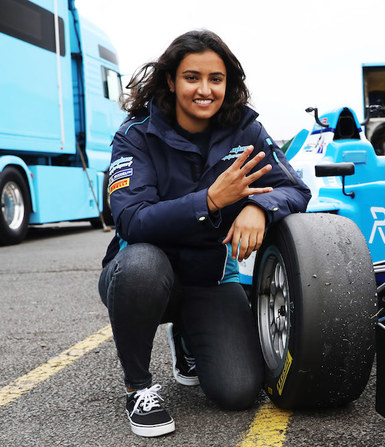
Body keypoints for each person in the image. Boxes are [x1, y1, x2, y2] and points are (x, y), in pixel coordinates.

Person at [97, 30, 311, 437]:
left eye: (216, 79)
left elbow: (295, 189)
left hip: (210, 277)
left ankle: (189, 339)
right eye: (192, 77)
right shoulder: (135, 135)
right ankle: (138, 387)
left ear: (228, 84)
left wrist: (257, 208)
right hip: (140, 273)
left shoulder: (245, 131)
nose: (205, 89)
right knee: (143, 264)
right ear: (171, 81)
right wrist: (209, 201)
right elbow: (131, 220)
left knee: (237, 391)